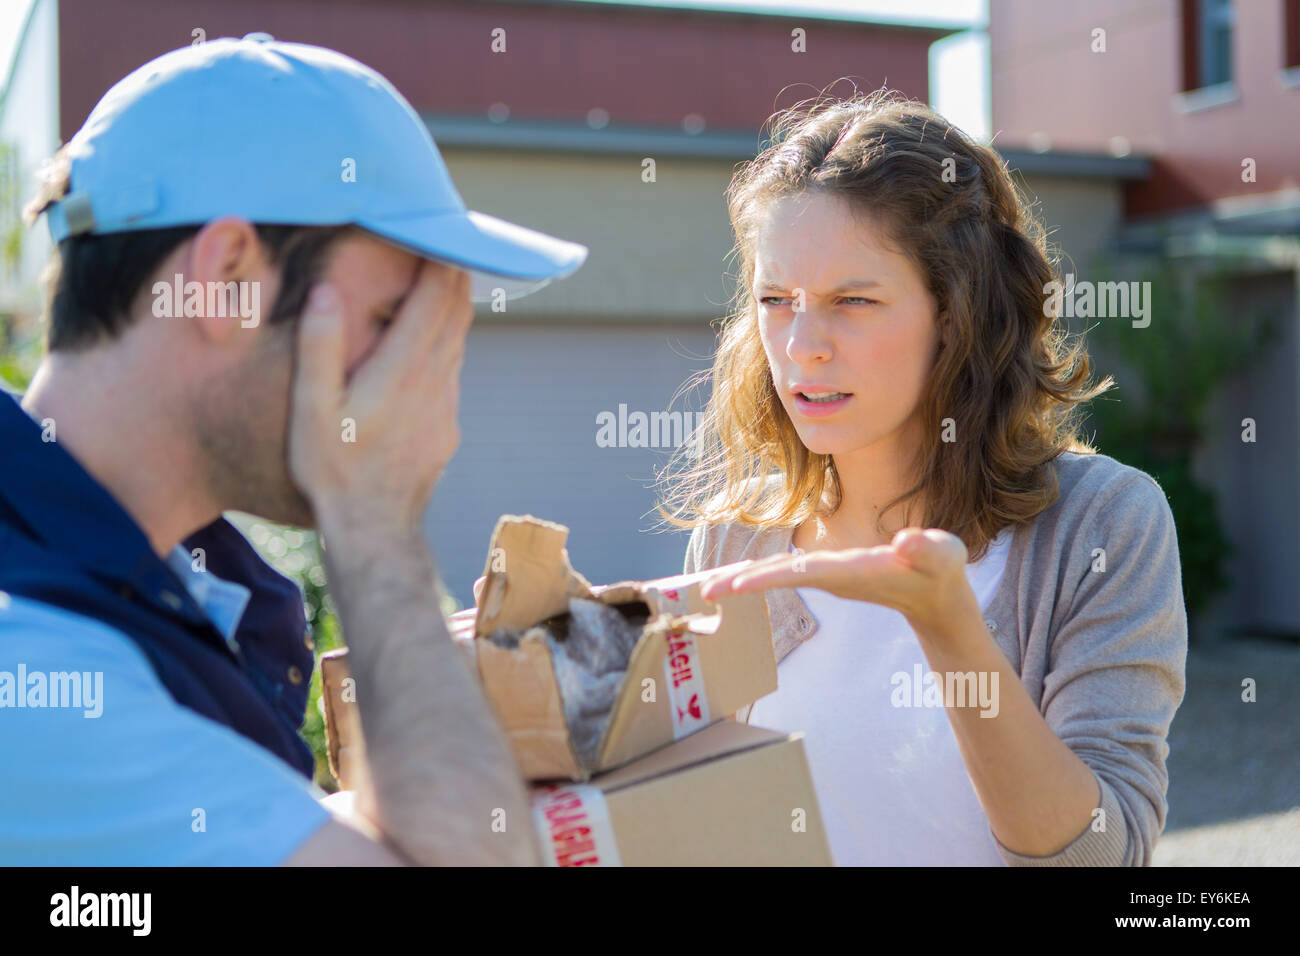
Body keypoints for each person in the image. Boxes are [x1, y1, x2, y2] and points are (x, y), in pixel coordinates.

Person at [0, 34, 589, 865]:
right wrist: (373, 518)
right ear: (226, 276)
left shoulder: (178, 591)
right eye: (391, 322)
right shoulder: (40, 673)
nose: (428, 402)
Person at [664, 91, 1188, 866]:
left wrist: (947, 625)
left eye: (853, 300)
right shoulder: (734, 536)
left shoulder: (1104, 524)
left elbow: (1102, 856)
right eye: (777, 300)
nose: (803, 344)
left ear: (956, 312)